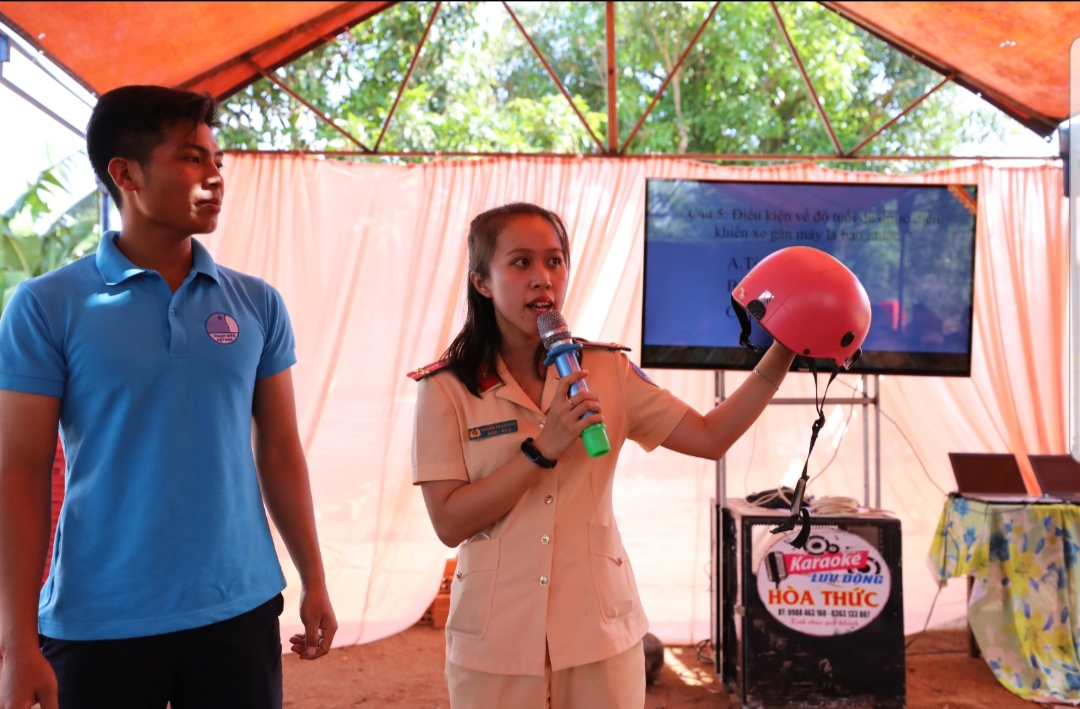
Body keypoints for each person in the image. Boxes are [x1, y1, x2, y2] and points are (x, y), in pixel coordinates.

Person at [0, 86, 336, 709]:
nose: (215, 176)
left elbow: (281, 450)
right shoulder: (47, 306)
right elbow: (18, 474)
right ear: (125, 174)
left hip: (238, 608)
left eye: (217, 160)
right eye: (191, 157)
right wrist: (17, 641)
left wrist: (313, 577)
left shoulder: (256, 303)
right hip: (99, 620)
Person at [409, 202, 795, 708]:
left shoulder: (606, 370)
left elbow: (709, 437)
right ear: (481, 281)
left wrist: (785, 349)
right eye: (521, 262)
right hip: (494, 639)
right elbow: (449, 522)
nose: (543, 278)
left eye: (555, 261)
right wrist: (542, 450)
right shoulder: (446, 387)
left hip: (599, 634)